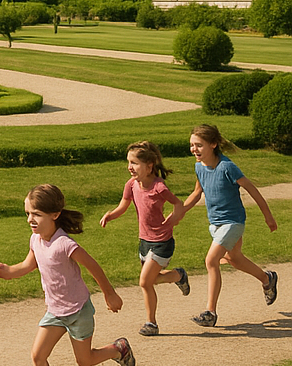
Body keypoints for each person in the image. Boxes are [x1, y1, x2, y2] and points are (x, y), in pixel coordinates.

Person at [0, 184, 134, 366]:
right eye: (28, 213)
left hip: (78, 311)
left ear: (55, 214)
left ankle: (117, 349)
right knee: (37, 356)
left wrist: (110, 294)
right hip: (55, 312)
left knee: (85, 361)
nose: (30, 219)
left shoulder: (65, 244)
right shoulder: (36, 240)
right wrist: (8, 272)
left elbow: (93, 266)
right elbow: (27, 266)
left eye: (36, 214)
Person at [183, 123, 278, 327]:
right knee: (235, 259)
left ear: (213, 144)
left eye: (199, 145)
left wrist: (268, 216)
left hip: (233, 222)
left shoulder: (227, 167)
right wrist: (179, 212)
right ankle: (267, 279)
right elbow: (197, 192)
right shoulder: (199, 167)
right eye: (192, 145)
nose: (194, 149)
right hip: (215, 223)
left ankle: (210, 312)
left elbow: (252, 189)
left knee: (211, 261)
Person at [99, 141, 190, 335]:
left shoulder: (159, 187)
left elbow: (178, 204)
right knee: (152, 280)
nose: (129, 167)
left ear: (149, 166)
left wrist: (173, 219)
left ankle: (151, 324)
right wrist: (111, 215)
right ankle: (178, 276)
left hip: (162, 242)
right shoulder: (131, 185)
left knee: (144, 282)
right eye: (128, 162)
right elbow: (123, 205)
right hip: (144, 241)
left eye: (134, 163)